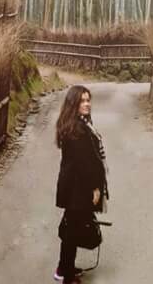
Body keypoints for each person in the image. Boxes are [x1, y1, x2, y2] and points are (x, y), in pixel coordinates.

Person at [54, 85, 109, 284]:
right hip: (77, 188)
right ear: (73, 104)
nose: (87, 104)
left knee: (71, 228)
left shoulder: (78, 123)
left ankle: (63, 268)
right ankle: (67, 276)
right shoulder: (77, 129)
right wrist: (94, 188)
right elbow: (83, 164)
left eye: (88, 100)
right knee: (72, 231)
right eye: (82, 101)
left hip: (74, 187)